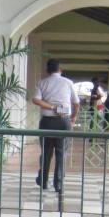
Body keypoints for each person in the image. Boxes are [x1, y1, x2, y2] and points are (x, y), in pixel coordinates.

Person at [32, 59, 79, 192]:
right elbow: (76, 103)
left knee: (46, 152)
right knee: (61, 152)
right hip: (64, 122)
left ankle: (43, 180)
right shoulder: (68, 82)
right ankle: (58, 183)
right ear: (60, 70)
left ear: (47, 70)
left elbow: (35, 99)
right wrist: (73, 118)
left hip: (47, 122)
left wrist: (52, 107)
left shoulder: (42, 82)